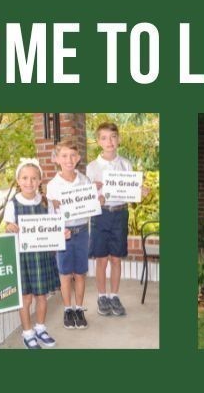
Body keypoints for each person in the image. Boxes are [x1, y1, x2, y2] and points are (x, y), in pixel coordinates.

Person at [4, 161, 63, 348]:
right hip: (23, 258)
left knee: (42, 297)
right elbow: (8, 227)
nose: (29, 182)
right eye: (25, 178)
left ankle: (40, 328)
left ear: (40, 180)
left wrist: (62, 233)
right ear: (18, 180)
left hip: (43, 256)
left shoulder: (46, 203)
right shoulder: (12, 204)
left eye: (33, 178)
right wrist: (10, 227)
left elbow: (54, 227)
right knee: (26, 298)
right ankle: (27, 333)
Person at [86, 121, 141, 318]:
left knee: (116, 259)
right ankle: (102, 297)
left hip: (120, 213)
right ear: (98, 141)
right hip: (100, 215)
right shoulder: (91, 168)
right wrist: (94, 191)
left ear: (118, 139)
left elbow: (132, 194)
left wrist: (140, 192)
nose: (109, 141)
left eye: (113, 137)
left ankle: (114, 296)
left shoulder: (126, 164)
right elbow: (85, 198)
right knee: (101, 260)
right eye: (104, 138)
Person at [47, 140, 94, 329]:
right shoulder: (52, 185)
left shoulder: (85, 180)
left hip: (82, 230)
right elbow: (51, 213)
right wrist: (59, 227)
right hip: (63, 233)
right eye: (64, 156)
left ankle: (79, 308)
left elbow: (90, 205)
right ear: (57, 159)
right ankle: (68, 309)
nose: (69, 159)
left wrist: (96, 199)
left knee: (80, 273)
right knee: (65, 274)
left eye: (73, 155)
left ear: (79, 158)